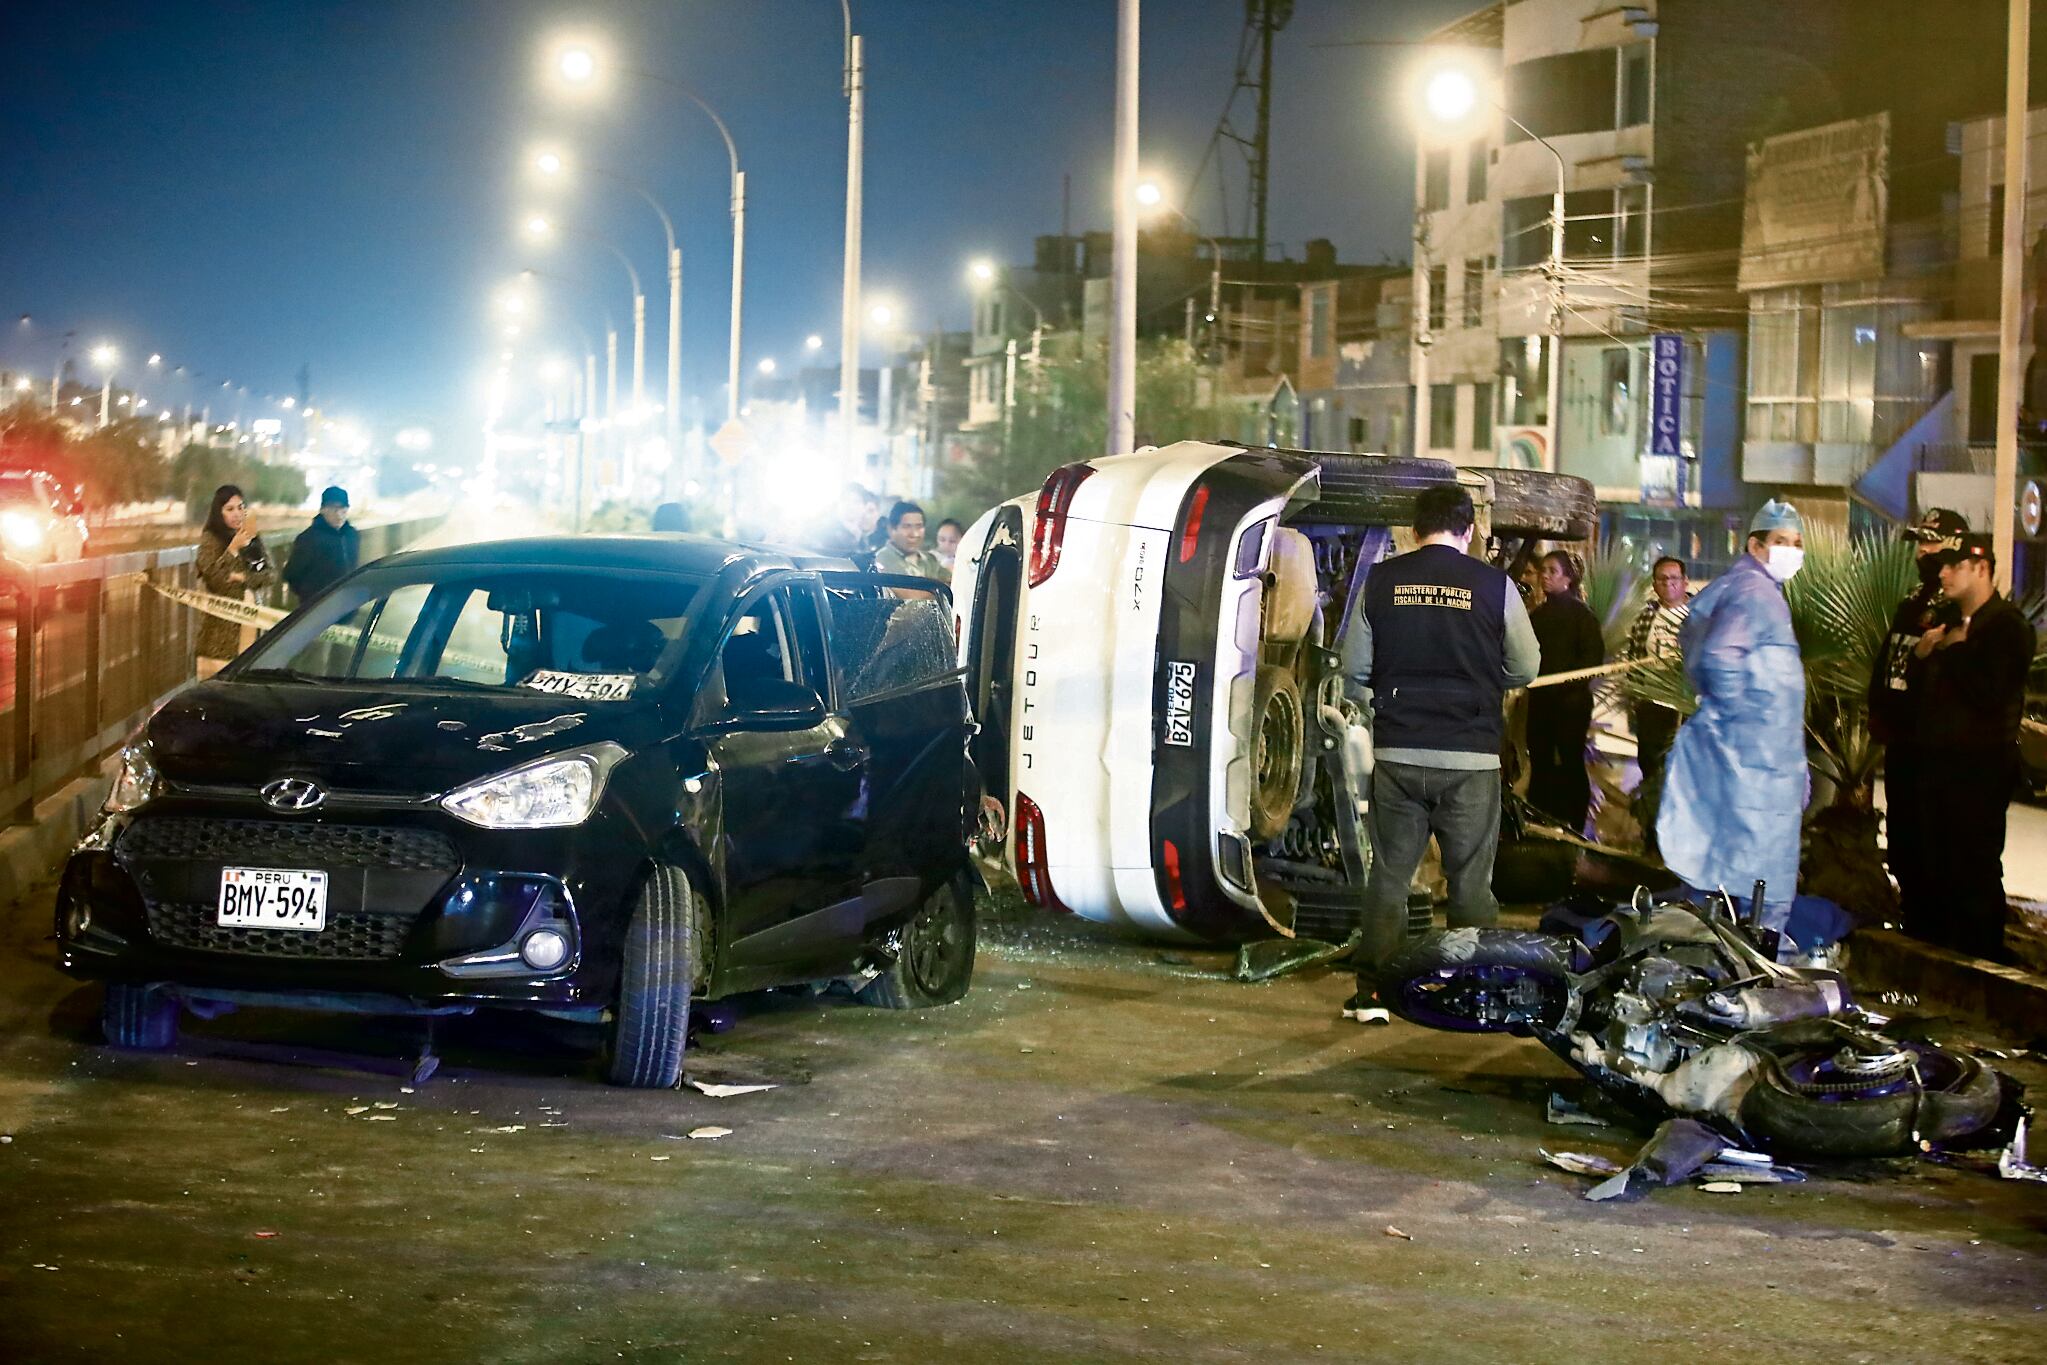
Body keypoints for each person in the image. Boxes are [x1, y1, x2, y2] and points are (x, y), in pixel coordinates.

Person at [1341, 484, 1540, 1021]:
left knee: (1389, 876)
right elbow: (1526, 667)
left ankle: (1373, 995)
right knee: (1471, 882)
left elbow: (1354, 668)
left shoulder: (1380, 581)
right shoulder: (1495, 586)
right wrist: (1480, 680)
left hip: (1400, 754)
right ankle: (1470, 990)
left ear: (1412, 530)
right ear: (1469, 530)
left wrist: (1384, 702)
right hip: (1471, 759)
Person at [1657, 498, 1808, 949]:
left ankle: (1716, 951)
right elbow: (1721, 656)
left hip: (1759, 756)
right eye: (1782, 542)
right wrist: (1742, 718)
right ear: (1756, 545)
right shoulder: (1755, 592)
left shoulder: (1742, 589)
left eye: (1797, 544)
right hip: (1758, 757)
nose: (1792, 552)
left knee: (1723, 864)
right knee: (1763, 875)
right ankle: (1757, 959)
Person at [1902, 534, 2035, 960]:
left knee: (1973, 865)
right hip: (1935, 764)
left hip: (1980, 769)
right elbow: (1922, 692)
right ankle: (1936, 946)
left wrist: (1956, 652)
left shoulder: (2007, 627)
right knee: (1932, 860)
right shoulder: (1944, 621)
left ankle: (1978, 952)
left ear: (1980, 569)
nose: (1942, 574)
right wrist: (1924, 657)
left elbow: (1991, 693)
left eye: (1953, 566)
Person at [1867, 508, 1967, 929]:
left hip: (1931, 740)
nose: (1923, 551)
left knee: (1931, 839)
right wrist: (1877, 706)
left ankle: (1934, 927)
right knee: (1904, 836)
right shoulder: (1914, 598)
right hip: (1901, 736)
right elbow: (1891, 655)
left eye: (1932, 542)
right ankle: (1912, 915)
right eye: (1920, 543)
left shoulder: (1958, 605)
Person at [1525, 549, 1604, 833]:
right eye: (1543, 571)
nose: (1545, 577)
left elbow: (1592, 660)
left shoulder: (1583, 617)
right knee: (1541, 761)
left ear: (1567, 579)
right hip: (1540, 702)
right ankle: (1538, 819)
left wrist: (1565, 687)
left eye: (1552, 571)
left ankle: (1576, 824)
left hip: (1571, 705)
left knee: (1570, 761)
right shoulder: (1537, 616)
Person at [1624, 556, 1692, 852]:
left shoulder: (1697, 616)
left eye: (1674, 578)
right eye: (1662, 579)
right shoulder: (1645, 618)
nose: (1669, 584)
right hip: (1652, 703)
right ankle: (1653, 835)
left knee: (1684, 772)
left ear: (1685, 582)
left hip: (1687, 708)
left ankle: (1683, 837)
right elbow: (1633, 658)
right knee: (1651, 767)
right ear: (1655, 584)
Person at [193, 483, 276, 679]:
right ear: (218, 512)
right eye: (229, 509)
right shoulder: (210, 540)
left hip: (252, 626)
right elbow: (216, 580)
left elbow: (269, 574)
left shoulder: (252, 537)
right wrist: (232, 550)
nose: (237, 514)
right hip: (221, 634)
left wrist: (241, 577)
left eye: (240, 507)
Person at [283, 485, 360, 603]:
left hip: (347, 605)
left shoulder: (352, 535)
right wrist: (309, 595)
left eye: (343, 509)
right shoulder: (308, 538)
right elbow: (291, 573)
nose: (339, 514)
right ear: (323, 509)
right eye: (334, 509)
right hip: (317, 608)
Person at [873, 500, 949, 584]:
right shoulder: (882, 559)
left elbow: (952, 583)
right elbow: (909, 594)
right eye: (906, 527)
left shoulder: (930, 560)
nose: (914, 534)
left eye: (919, 527)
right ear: (891, 529)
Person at [816, 482, 878, 556]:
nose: (850, 505)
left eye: (856, 501)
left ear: (864, 507)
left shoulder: (862, 537)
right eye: (846, 500)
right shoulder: (825, 533)